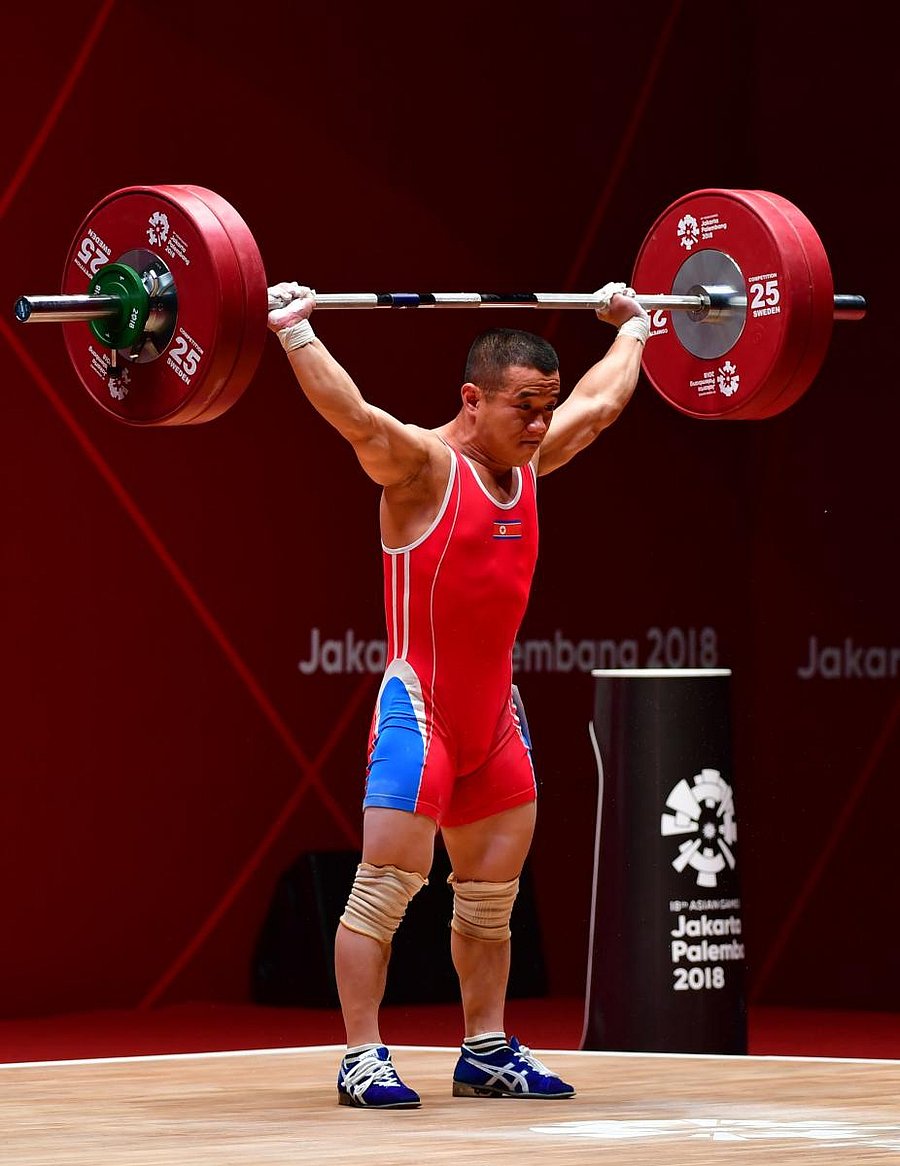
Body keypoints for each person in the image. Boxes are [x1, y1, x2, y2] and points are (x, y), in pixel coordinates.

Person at [267, 280, 649, 1108]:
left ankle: (485, 1049)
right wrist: (294, 329)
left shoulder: (534, 460)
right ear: (472, 400)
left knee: (488, 907)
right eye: (525, 407)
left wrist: (638, 326)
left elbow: (604, 404)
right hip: (422, 715)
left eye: (546, 406)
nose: (542, 423)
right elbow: (355, 417)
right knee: (383, 892)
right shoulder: (421, 467)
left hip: (493, 725)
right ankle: (363, 1056)